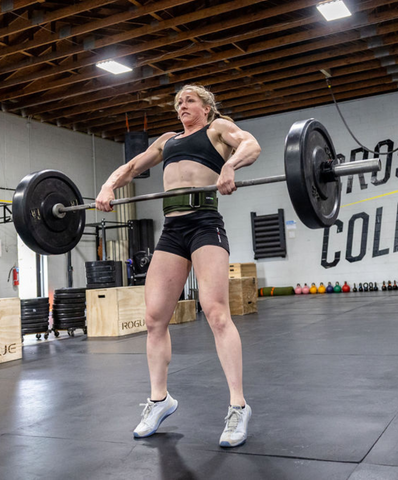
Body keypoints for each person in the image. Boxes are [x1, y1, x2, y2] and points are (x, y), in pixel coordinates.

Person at [95, 84, 261, 447]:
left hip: (205, 224)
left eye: (189, 101)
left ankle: (238, 407)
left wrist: (229, 165)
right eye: (178, 102)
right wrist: (108, 188)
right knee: (154, 318)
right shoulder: (168, 140)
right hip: (173, 229)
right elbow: (131, 166)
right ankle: (159, 400)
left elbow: (251, 144)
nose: (182, 106)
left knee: (216, 313)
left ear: (207, 106)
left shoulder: (217, 129)